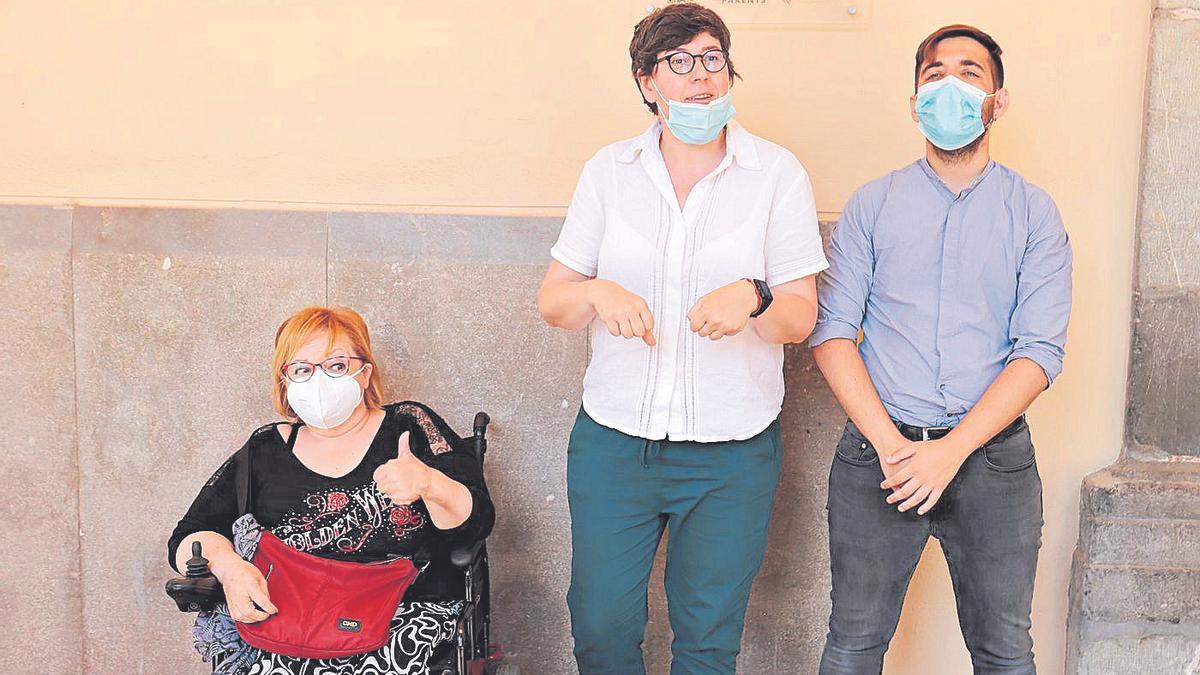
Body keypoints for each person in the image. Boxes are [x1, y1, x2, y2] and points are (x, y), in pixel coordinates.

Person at [537, 4, 828, 673]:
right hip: (616, 444)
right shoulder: (609, 172)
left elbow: (800, 317)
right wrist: (596, 291)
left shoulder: (776, 174)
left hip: (730, 454)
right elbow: (554, 300)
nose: (701, 78)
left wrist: (755, 296)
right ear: (647, 81)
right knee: (602, 626)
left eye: (713, 59)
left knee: (708, 638)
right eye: (680, 62)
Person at [810, 24, 1073, 675]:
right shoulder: (873, 205)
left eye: (970, 73)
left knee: (1005, 650)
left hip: (993, 462)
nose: (950, 87)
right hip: (879, 454)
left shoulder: (1034, 214)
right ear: (913, 101)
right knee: (852, 643)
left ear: (997, 99)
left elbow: (1038, 351)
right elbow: (832, 331)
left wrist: (949, 452)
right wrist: (897, 449)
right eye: (935, 75)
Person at [168, 305, 494, 675]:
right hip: (285, 621)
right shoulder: (265, 450)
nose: (319, 380)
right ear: (285, 383)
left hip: (400, 617)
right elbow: (189, 536)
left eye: (337, 365)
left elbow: (477, 520)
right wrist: (230, 569)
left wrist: (429, 484)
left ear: (365, 373)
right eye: (302, 369)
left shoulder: (409, 425)